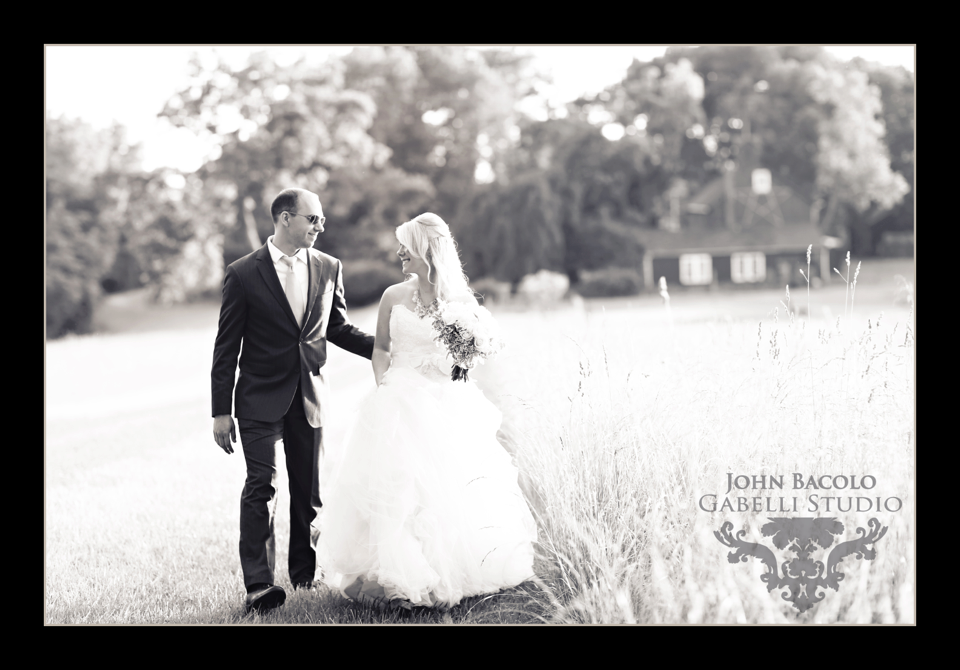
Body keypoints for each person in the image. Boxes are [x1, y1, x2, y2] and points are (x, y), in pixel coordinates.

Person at [316, 213, 537, 610]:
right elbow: (381, 347)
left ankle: (449, 569)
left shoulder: (462, 304)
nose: (399, 252)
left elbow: (467, 361)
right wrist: (385, 383)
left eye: (406, 245)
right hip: (397, 399)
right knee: (395, 486)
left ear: (427, 250)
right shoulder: (392, 297)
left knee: (447, 489)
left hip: (445, 402)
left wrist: (463, 359)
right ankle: (393, 577)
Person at [211, 188, 375, 614]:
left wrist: (385, 347)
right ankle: (259, 586)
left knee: (309, 493)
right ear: (285, 218)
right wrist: (220, 412)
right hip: (257, 397)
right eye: (313, 219)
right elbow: (226, 349)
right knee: (261, 486)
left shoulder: (328, 266)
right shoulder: (243, 273)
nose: (320, 227)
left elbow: (338, 328)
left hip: (309, 394)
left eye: (320, 220)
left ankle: (304, 575)